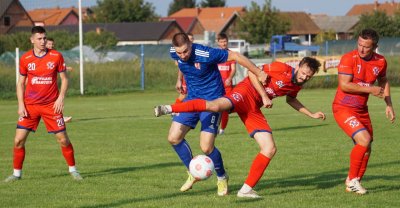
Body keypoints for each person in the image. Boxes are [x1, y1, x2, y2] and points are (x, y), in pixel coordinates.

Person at [155, 57, 326, 198]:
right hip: (244, 93)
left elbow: (291, 99)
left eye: (308, 77)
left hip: (252, 109)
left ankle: (246, 190)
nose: (304, 78)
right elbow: (251, 72)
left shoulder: (297, 84)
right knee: (214, 106)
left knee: (270, 148)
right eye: (303, 73)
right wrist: (264, 95)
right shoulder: (281, 68)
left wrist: (310, 114)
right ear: (299, 67)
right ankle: (170, 108)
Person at [161, 32, 268, 196]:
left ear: (191, 45)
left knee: (206, 147)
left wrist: (258, 72)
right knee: (173, 137)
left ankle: (221, 176)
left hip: (211, 102)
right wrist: (179, 79)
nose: (182, 55)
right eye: (179, 53)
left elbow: (236, 56)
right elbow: (182, 65)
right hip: (191, 100)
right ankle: (194, 171)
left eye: (185, 52)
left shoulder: (206, 53)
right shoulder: (174, 53)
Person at [4, 26, 82, 182]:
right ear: (32, 40)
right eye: (39, 39)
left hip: (51, 106)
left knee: (63, 139)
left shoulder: (56, 56)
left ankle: (73, 170)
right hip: (30, 106)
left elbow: (65, 79)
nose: (43, 41)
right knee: (18, 141)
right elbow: (20, 83)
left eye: (44, 38)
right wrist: (21, 105)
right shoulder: (25, 59)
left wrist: (60, 98)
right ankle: (16, 174)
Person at [332, 28, 395, 195]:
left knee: (367, 147)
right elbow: (344, 85)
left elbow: (383, 81)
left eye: (366, 46)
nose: (361, 49)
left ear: (374, 47)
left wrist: (389, 104)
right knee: (364, 139)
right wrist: (370, 89)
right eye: (359, 44)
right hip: (343, 108)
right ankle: (353, 180)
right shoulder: (348, 58)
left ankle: (353, 181)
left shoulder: (381, 61)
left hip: (361, 110)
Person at [45, 37, 72, 123]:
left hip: (51, 84)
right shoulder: (41, 55)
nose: (51, 45)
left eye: (52, 44)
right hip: (41, 84)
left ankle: (60, 117)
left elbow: (55, 67)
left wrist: (65, 68)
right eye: (49, 44)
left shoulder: (55, 55)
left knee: (56, 100)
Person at [216, 33, 236, 135]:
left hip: (227, 86)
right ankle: (214, 127)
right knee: (214, 107)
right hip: (216, 85)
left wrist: (229, 78)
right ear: (218, 42)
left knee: (224, 108)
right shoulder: (215, 54)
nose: (223, 43)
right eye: (221, 41)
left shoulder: (231, 54)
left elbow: (233, 69)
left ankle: (222, 129)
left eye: (225, 41)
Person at [174, 33, 194, 105]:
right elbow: (179, 64)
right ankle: (175, 109)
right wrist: (179, 79)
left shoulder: (196, 52)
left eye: (192, 39)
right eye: (189, 39)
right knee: (183, 95)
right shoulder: (183, 54)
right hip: (186, 77)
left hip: (195, 79)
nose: (190, 41)